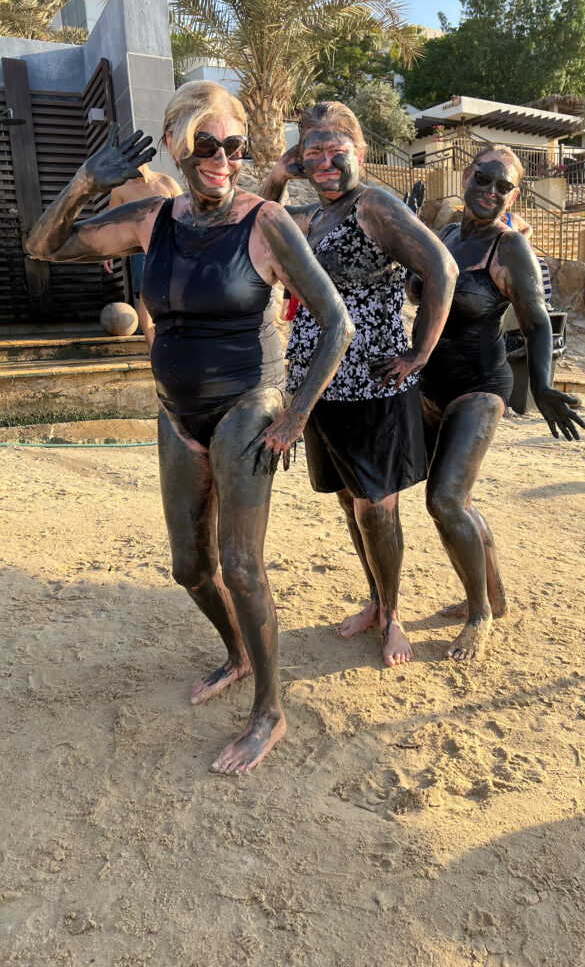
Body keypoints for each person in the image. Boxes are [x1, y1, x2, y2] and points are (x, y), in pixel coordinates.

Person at [26, 82, 354, 774]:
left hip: (248, 404)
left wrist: (295, 416)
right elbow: (43, 246)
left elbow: (336, 322)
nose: (223, 159)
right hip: (178, 413)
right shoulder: (154, 219)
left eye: (234, 146)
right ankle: (237, 653)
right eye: (207, 144)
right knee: (189, 568)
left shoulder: (267, 223)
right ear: (179, 146)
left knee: (241, 566)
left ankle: (270, 710)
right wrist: (88, 179)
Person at [260, 102, 458, 668]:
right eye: (312, 153)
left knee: (379, 508)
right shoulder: (313, 217)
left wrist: (418, 352)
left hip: (373, 387)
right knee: (350, 503)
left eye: (335, 151)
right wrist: (276, 175)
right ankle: (375, 599)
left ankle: (393, 616)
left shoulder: (372, 204)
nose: (324, 162)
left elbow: (441, 268)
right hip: (318, 390)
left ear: (360, 153)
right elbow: (263, 224)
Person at [408, 145, 585, 661]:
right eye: (483, 179)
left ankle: (479, 612)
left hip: (480, 389)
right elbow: (418, 286)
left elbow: (536, 324)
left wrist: (545, 385)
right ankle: (496, 596)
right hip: (428, 386)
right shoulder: (444, 235)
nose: (489, 191)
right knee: (445, 499)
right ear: (466, 176)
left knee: (444, 500)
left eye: (502, 186)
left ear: (514, 194)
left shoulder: (509, 250)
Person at [100, 162, 182, 345]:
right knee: (147, 297)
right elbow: (111, 223)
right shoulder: (121, 190)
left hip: (171, 247)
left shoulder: (167, 183)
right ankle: (153, 351)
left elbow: (186, 216)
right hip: (142, 249)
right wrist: (108, 253)